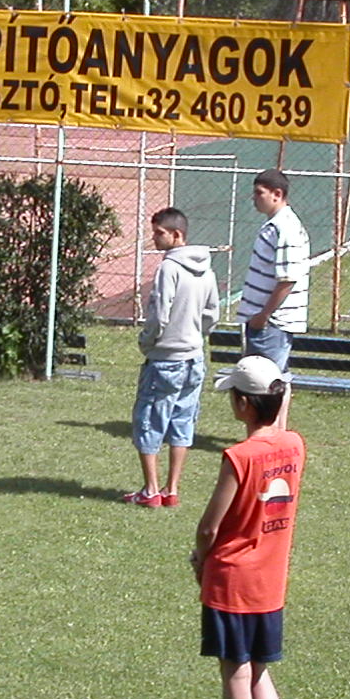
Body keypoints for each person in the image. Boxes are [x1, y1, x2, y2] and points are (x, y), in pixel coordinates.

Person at [189, 355, 305, 699]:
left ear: (242, 404)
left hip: (233, 580)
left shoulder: (238, 457)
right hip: (270, 583)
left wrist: (200, 560)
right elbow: (279, 420)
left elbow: (209, 527)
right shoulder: (293, 444)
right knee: (259, 672)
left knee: (236, 674)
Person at [127, 205, 219, 508]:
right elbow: (212, 313)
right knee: (182, 420)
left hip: (166, 359)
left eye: (159, 233)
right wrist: (196, 335)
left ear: (177, 234)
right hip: (194, 358)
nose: (154, 238)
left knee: (149, 419)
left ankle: (151, 490)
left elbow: (159, 313)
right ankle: (172, 488)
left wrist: (148, 340)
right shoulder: (207, 269)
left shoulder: (169, 268)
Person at [237, 168, 308, 373]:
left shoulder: (285, 228)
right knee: (267, 382)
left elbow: (288, 279)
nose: (254, 198)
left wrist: (264, 316)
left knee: (263, 383)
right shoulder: (275, 225)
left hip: (272, 325)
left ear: (277, 194)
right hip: (265, 323)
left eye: (259, 193)